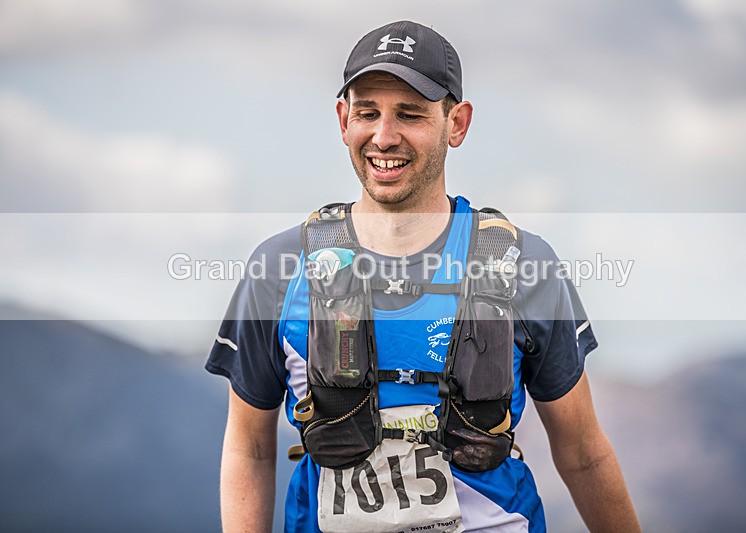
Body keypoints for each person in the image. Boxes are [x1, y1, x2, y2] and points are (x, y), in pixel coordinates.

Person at [206, 20, 640, 533]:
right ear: (343, 119)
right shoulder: (278, 271)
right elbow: (250, 448)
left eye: (409, 114)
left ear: (457, 124)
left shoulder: (525, 267)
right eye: (368, 112)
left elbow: (584, 454)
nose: (383, 136)